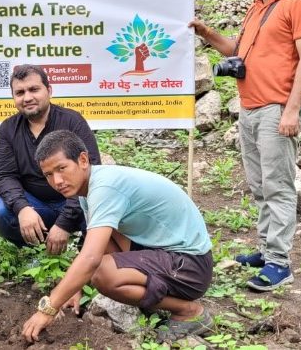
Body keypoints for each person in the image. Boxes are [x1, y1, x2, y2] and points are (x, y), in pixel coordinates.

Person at [189, 0, 301, 291]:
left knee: (277, 186)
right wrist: (206, 33)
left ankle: (280, 262)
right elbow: (237, 50)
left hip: (276, 108)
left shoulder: (298, 3)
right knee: (260, 186)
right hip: (248, 108)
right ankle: (267, 249)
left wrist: (291, 110)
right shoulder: (256, 7)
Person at [21, 131, 213, 344]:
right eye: (48, 174)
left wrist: (49, 307)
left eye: (61, 168)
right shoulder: (90, 188)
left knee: (103, 274)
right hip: (166, 253)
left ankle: (189, 311)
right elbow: (99, 246)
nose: (57, 180)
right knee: (103, 240)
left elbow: (91, 258)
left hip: (190, 266)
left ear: (83, 160)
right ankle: (154, 295)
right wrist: (71, 290)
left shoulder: (105, 187)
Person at [0, 64, 101, 254]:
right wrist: (22, 209)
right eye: (20, 92)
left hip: (76, 202)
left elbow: (91, 171)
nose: (27, 97)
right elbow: (5, 176)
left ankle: (83, 250)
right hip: (36, 204)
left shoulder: (72, 121)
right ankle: (36, 250)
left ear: (49, 90)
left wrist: (64, 223)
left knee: (101, 209)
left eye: (34, 89)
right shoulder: (8, 128)